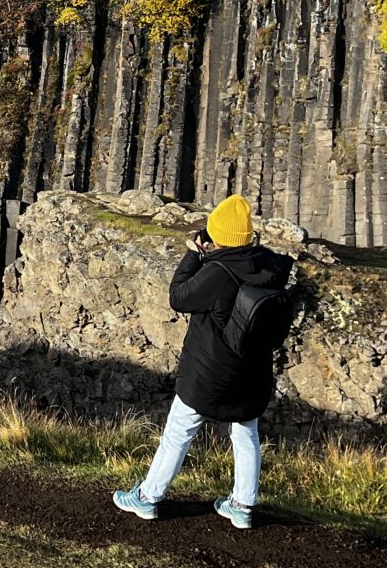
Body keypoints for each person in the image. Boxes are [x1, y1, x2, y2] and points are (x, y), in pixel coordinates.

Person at [112, 193, 294, 530]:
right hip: (252, 372)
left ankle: (148, 498)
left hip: (211, 372)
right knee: (246, 434)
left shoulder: (220, 272)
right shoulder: (269, 266)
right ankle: (241, 505)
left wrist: (193, 254)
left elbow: (179, 297)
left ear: (218, 237)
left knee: (178, 432)